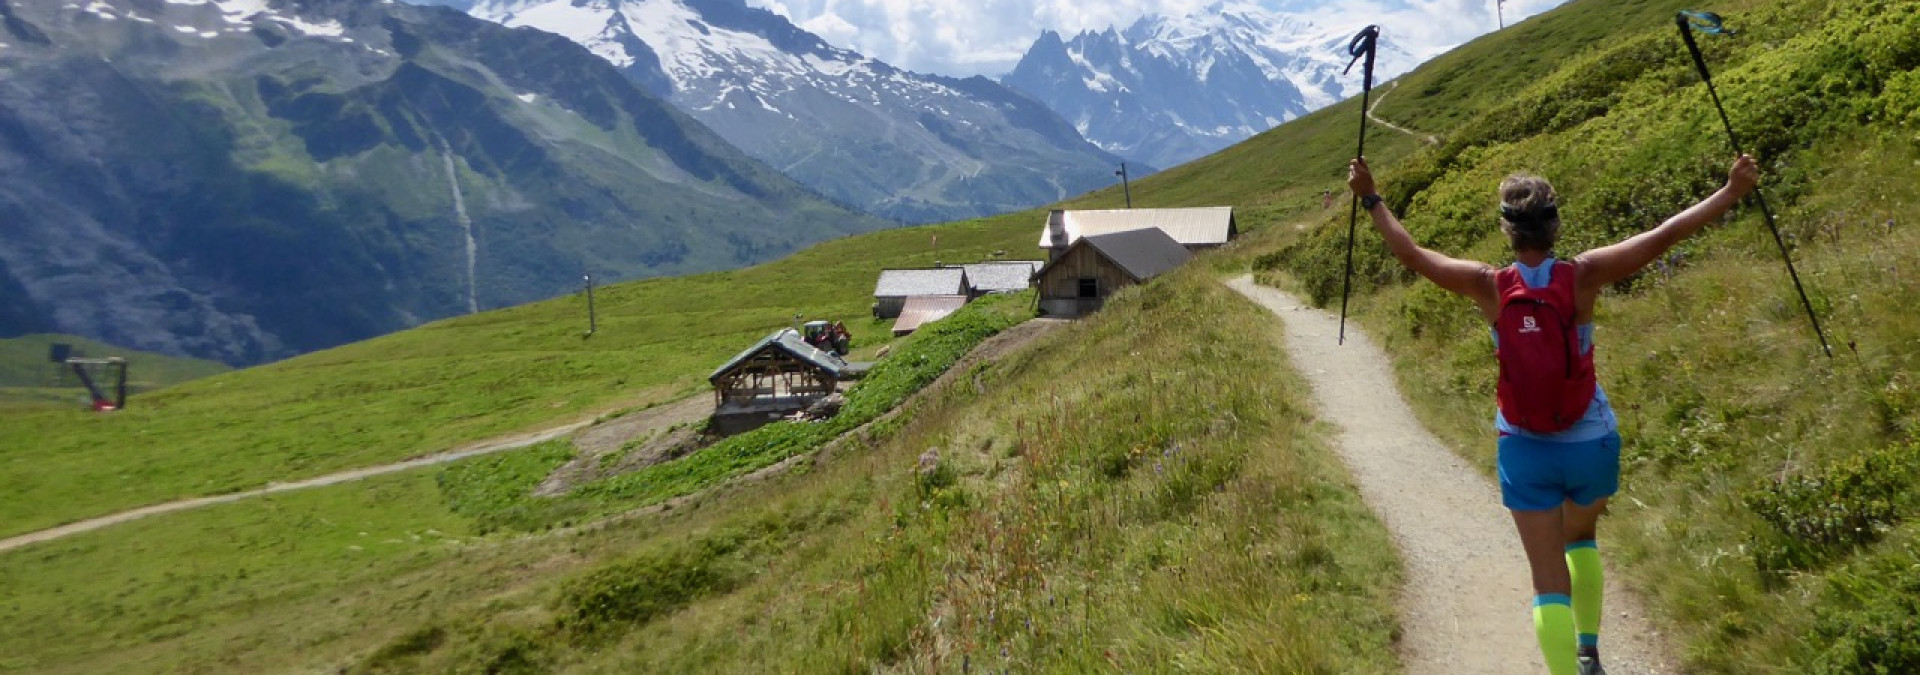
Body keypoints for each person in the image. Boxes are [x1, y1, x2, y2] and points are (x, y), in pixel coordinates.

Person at [1347, 153, 1760, 675]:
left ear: (1507, 230)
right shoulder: (1583, 275)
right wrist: (1731, 191)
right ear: (1555, 223)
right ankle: (1589, 651)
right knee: (1581, 537)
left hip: (1523, 446)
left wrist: (1371, 197)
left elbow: (1411, 255)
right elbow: (1665, 234)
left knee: (1547, 584)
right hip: (1590, 439)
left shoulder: (1488, 285)